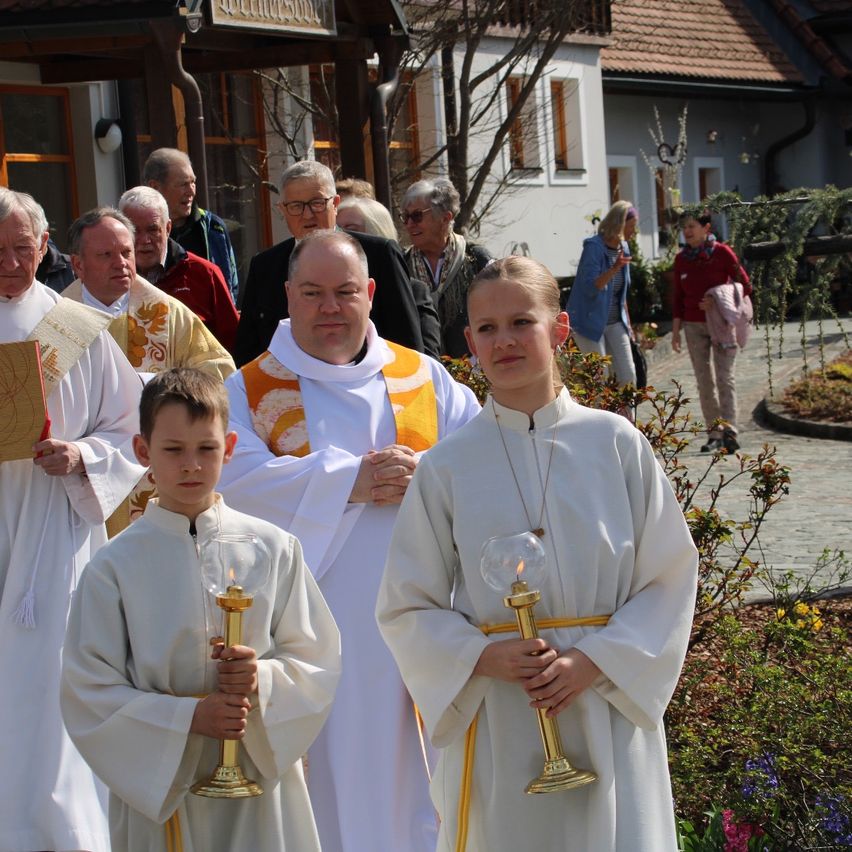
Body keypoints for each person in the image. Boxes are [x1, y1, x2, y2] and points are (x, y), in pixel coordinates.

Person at [377, 256, 698, 852]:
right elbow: (405, 605)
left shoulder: (615, 444)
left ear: (559, 329)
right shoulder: (447, 466)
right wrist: (481, 656)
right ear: (469, 342)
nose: (505, 342)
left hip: (604, 698)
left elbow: (669, 577)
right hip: (503, 707)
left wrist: (593, 662)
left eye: (522, 322)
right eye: (488, 329)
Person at [218, 230, 481, 852]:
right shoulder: (246, 389)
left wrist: (429, 477)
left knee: (426, 785)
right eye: (312, 293)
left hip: (423, 619)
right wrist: (348, 480)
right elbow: (230, 478)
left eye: (344, 292)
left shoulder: (424, 378)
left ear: (369, 293)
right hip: (311, 626)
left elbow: (481, 460)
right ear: (288, 297)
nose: (329, 308)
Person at [61, 367, 341, 852]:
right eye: (173, 450)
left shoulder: (274, 548)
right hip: (167, 787)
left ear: (229, 448)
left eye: (207, 449)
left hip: (258, 778)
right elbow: (89, 690)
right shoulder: (114, 567)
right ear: (143, 452)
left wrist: (262, 680)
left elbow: (316, 660)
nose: (191, 465)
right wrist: (188, 718)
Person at [0, 187, 146, 852]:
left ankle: (61, 832)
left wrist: (82, 455)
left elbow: (130, 430)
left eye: (21, 248)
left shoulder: (75, 330)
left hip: (55, 533)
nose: (9, 263)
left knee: (50, 686)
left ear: (44, 245)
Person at [63, 207, 235, 529]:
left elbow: (220, 371)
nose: (122, 263)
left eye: (126, 252)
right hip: (83, 475)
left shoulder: (168, 314)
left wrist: (157, 384)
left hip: (153, 469)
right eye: (106, 254)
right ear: (77, 264)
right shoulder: (57, 319)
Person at [234, 160, 430, 366]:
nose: (308, 214)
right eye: (296, 206)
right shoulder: (265, 266)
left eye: (317, 203)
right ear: (282, 210)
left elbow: (406, 343)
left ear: (335, 203)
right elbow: (248, 353)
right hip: (289, 393)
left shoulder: (379, 255)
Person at [119, 186, 239, 352]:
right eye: (134, 231)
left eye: (152, 229)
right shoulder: (111, 278)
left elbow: (234, 343)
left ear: (168, 228)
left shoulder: (204, 274)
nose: (144, 239)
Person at [672, 211, 751, 453]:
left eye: (692, 226)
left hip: (721, 325)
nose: (687, 231)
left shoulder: (722, 253)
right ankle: (714, 432)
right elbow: (677, 297)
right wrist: (675, 331)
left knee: (725, 379)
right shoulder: (681, 260)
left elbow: (744, 286)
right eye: (684, 227)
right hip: (693, 326)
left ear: (706, 228)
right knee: (704, 382)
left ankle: (730, 431)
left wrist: (717, 299)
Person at [337, 195, 442, 361]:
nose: (342, 238)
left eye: (352, 230)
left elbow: (427, 357)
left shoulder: (414, 290)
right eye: (338, 230)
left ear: (376, 232)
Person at [400, 177, 492, 358]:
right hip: (422, 367)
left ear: (445, 217)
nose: (409, 224)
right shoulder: (402, 263)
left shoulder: (476, 260)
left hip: (472, 371)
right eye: (405, 216)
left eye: (417, 216)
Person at [143, 147, 240, 302]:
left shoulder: (213, 228)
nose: (191, 192)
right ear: (155, 187)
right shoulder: (132, 232)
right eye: (182, 184)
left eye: (193, 182)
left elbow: (230, 289)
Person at [567, 200, 637, 388]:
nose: (634, 231)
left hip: (615, 322)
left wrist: (628, 325)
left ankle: (626, 417)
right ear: (620, 225)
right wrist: (614, 268)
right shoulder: (594, 247)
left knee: (628, 375)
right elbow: (590, 287)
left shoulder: (624, 248)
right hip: (589, 322)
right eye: (631, 227)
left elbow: (621, 294)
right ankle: (602, 417)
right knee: (600, 379)